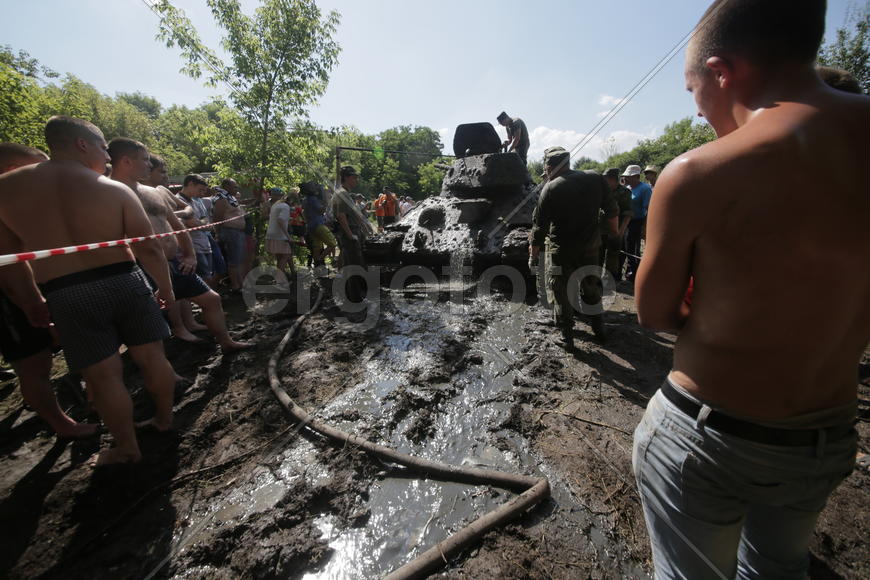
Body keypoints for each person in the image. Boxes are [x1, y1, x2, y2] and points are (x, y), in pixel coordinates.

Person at [632, 1, 870, 578]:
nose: (699, 114)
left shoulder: (698, 171)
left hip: (707, 434)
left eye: (694, 93)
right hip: (823, 433)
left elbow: (654, 311)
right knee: (776, 567)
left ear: (720, 70)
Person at [0, 117, 177, 465]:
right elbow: (149, 249)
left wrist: (32, 301)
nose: (107, 157)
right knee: (153, 357)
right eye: (101, 148)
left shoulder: (7, 189)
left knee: (104, 375)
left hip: (68, 292)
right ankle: (165, 419)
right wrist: (165, 291)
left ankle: (127, 446)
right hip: (126, 280)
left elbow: (10, 259)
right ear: (81, 144)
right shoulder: (114, 189)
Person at [108, 139, 252, 353]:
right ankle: (168, 357)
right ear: (127, 161)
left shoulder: (154, 193)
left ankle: (226, 342)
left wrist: (189, 255)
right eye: (145, 160)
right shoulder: (108, 193)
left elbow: (178, 226)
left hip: (174, 262)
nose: (149, 165)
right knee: (150, 320)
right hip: (140, 268)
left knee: (211, 299)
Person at [0, 143, 97, 439]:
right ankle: (62, 425)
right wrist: (32, 300)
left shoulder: (24, 203)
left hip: (45, 289)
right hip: (11, 299)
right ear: (12, 171)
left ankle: (93, 397)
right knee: (34, 363)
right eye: (38, 168)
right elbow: (9, 267)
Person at [529, 147, 618, 350]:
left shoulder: (550, 188)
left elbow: (539, 228)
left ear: (549, 166)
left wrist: (533, 254)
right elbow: (612, 210)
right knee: (591, 286)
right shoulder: (595, 178)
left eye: (546, 166)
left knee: (561, 291)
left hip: (562, 252)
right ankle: (598, 328)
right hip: (591, 248)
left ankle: (567, 336)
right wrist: (612, 233)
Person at [331, 166, 372, 303]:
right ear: (347, 177)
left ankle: (354, 296)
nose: (357, 180)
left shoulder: (346, 193)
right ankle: (354, 299)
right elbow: (341, 215)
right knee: (353, 266)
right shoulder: (342, 193)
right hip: (349, 235)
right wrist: (350, 235)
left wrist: (365, 231)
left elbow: (355, 216)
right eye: (354, 177)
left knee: (355, 264)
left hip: (354, 232)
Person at [213, 178, 247, 292]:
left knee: (238, 259)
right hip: (230, 232)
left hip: (238, 232)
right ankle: (235, 286)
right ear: (226, 187)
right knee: (234, 260)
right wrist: (217, 233)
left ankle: (240, 283)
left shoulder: (231, 198)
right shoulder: (221, 199)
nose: (236, 188)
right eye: (234, 186)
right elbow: (217, 218)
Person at [600, 167, 633, 282]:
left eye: (606, 179)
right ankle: (597, 280)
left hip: (615, 231)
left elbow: (627, 214)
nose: (604, 181)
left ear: (613, 179)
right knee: (598, 256)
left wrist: (621, 232)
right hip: (600, 231)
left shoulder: (624, 192)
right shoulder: (602, 192)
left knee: (613, 258)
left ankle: (611, 280)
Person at [621, 164, 652, 282]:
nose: (626, 179)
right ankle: (630, 271)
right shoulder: (628, 188)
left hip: (637, 222)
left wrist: (645, 227)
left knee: (633, 248)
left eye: (628, 176)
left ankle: (636, 274)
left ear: (636, 176)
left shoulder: (645, 189)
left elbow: (649, 209)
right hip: (627, 222)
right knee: (625, 246)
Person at [301, 181, 336, 275]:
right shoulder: (313, 199)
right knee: (332, 243)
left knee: (317, 248)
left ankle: (318, 269)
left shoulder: (305, 199)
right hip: (318, 225)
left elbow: (304, 213)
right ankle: (319, 260)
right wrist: (325, 202)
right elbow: (321, 210)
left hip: (310, 226)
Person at [265, 187, 295, 276]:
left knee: (280, 257)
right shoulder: (285, 206)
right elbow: (280, 220)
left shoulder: (274, 205)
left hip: (271, 234)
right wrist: (288, 236)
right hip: (280, 235)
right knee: (285, 256)